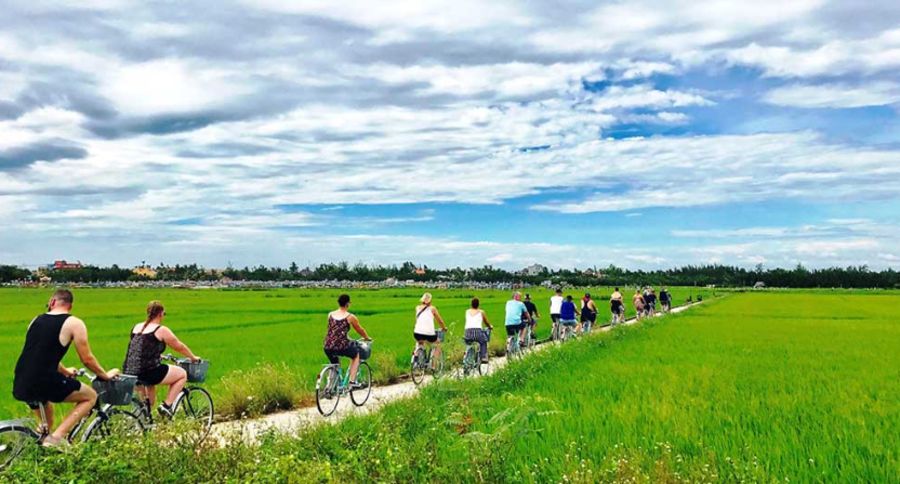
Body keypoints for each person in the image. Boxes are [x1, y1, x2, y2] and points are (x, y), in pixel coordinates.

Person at [12, 289, 120, 447]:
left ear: (52, 302)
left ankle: (39, 448)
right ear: (70, 305)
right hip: (44, 380)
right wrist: (105, 375)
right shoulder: (74, 323)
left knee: (46, 425)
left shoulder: (35, 320)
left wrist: (65, 371)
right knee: (91, 396)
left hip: (21, 379)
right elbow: (87, 359)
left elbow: (41, 355)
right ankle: (57, 438)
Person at [123, 301, 201, 417]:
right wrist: (193, 357)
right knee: (182, 374)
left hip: (130, 371)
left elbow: (140, 348)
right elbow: (178, 346)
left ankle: (142, 423)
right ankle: (166, 406)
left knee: (148, 403)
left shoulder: (136, 327)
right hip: (148, 372)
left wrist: (157, 355)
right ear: (160, 314)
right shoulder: (161, 330)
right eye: (164, 314)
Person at [323, 294, 371, 388]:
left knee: (335, 364)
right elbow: (359, 330)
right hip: (342, 346)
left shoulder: (330, 315)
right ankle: (352, 381)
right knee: (355, 356)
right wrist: (366, 337)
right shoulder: (350, 317)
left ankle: (329, 388)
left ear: (339, 303)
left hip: (328, 345)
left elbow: (334, 332)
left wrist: (348, 338)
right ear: (348, 304)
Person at [414, 293, 447, 369]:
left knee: (420, 342)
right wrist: (444, 328)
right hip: (429, 334)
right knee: (438, 344)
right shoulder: (433, 309)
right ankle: (433, 365)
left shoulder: (417, 308)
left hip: (417, 333)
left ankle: (416, 358)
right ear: (430, 301)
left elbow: (417, 320)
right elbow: (440, 321)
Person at [464, 298, 493, 363]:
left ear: (471, 304)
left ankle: (468, 357)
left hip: (467, 332)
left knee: (469, 343)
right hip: (477, 332)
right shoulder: (481, 312)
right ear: (478, 304)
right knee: (484, 341)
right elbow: (486, 322)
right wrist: (490, 326)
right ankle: (483, 357)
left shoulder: (467, 311)